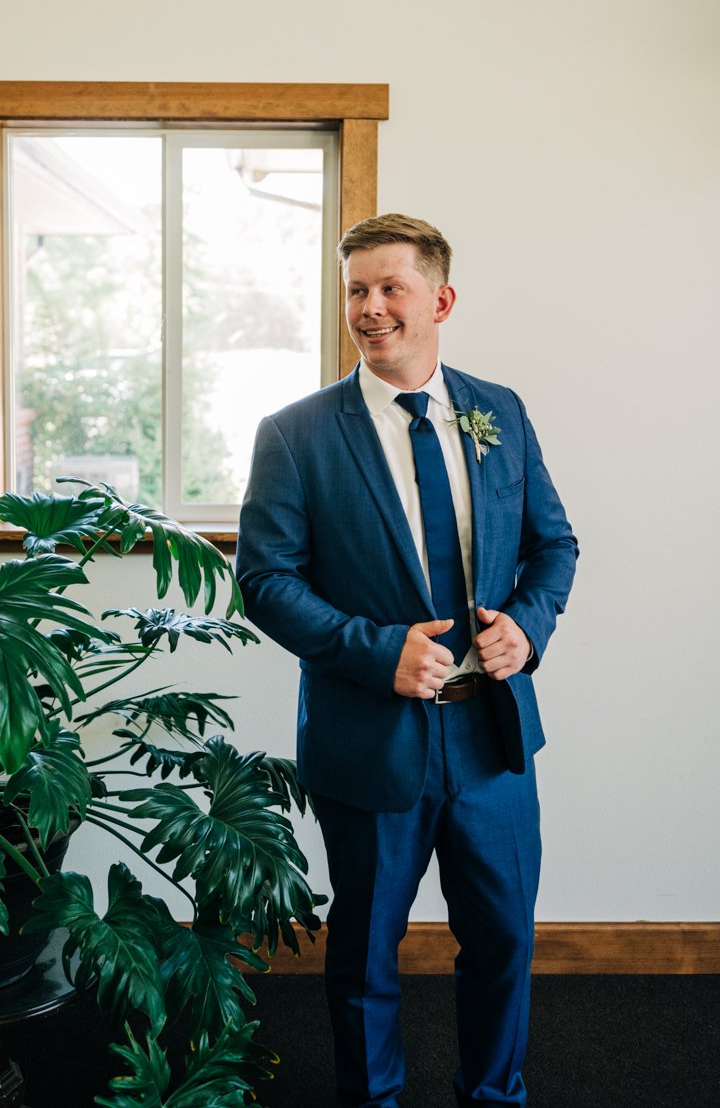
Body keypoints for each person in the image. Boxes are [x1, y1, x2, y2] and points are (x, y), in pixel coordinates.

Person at [236, 213, 578, 1108]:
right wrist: (378, 652)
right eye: (356, 289)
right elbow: (266, 581)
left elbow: (555, 545)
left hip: (492, 737)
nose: (371, 308)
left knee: (504, 939)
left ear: (441, 299)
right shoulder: (295, 433)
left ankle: (495, 1095)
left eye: (391, 288)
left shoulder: (496, 410)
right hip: (369, 737)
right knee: (365, 952)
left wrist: (529, 628)